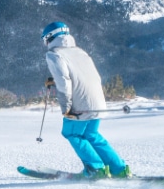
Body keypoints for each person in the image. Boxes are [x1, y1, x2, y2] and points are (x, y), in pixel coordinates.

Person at [41, 21, 131, 179]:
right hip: (97, 101)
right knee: (91, 134)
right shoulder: (80, 52)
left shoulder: (54, 54)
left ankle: (96, 169)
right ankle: (119, 169)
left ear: (50, 37)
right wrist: (54, 81)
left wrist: (66, 108)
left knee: (71, 133)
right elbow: (84, 77)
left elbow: (64, 82)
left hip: (79, 104)